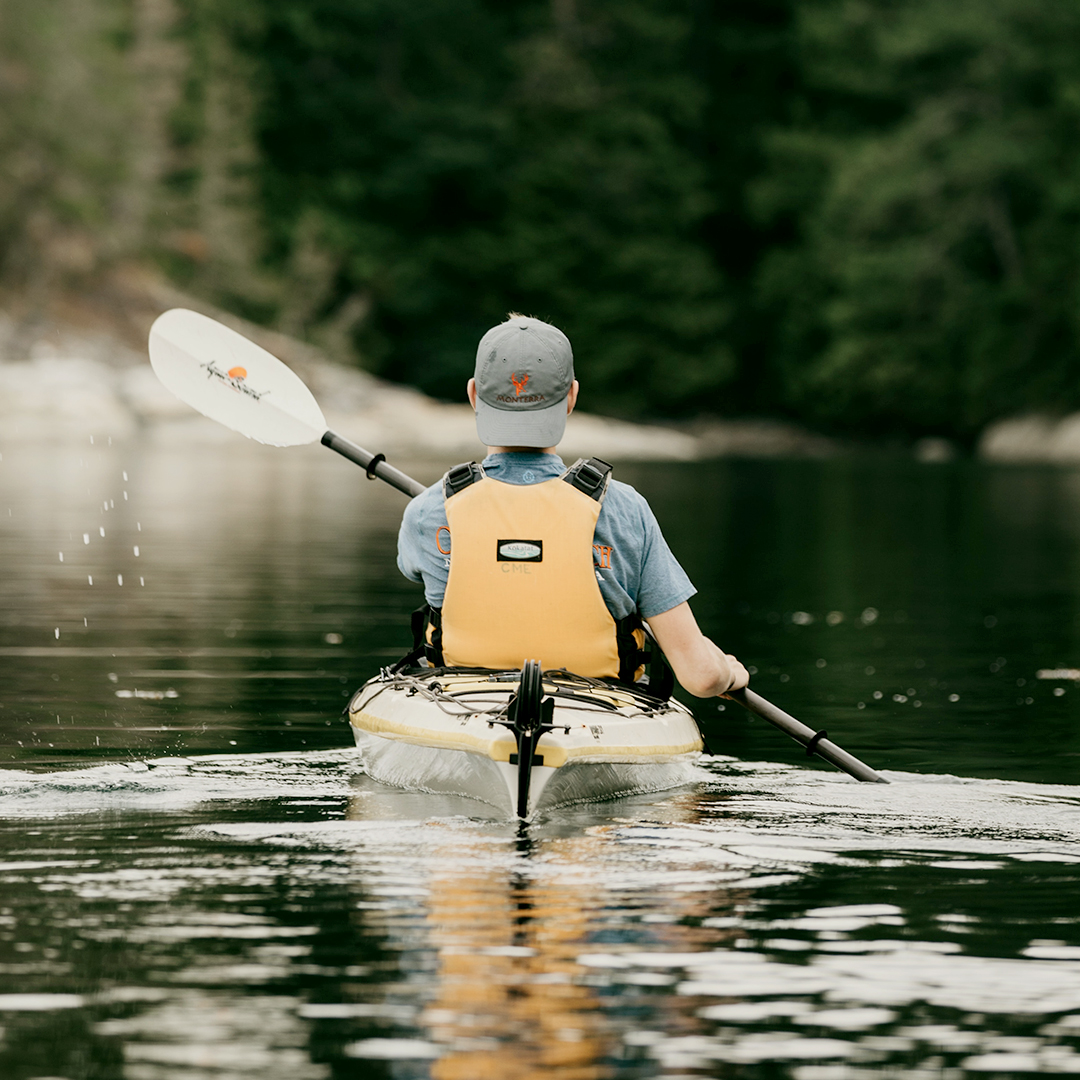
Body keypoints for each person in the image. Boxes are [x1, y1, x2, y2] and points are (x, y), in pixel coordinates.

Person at [396, 313, 749, 700]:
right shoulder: (625, 509)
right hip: (599, 707)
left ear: (473, 395)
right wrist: (728, 672)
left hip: (461, 705)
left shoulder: (428, 510)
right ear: (571, 397)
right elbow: (701, 678)